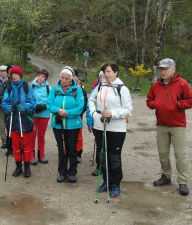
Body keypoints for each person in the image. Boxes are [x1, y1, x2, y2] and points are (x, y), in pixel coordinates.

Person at [146, 58, 192, 196]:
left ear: (173, 69)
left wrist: (179, 104)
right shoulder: (156, 85)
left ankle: (183, 181)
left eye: (165, 69)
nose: (162, 71)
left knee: (179, 154)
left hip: (177, 125)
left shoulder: (182, 83)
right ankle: (166, 176)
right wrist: (153, 104)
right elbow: (149, 100)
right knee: (163, 153)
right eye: (161, 69)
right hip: (161, 124)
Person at [88, 61, 133, 198]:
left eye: (108, 71)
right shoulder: (100, 86)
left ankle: (115, 184)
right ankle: (106, 181)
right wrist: (94, 114)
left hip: (117, 129)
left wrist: (112, 113)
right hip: (100, 127)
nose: (106, 74)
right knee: (102, 156)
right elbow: (91, 100)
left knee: (114, 157)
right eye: (104, 72)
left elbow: (128, 110)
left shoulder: (122, 89)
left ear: (115, 72)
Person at [47, 66, 84, 183]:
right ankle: (62, 172)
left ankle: (72, 172)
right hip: (58, 124)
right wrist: (58, 110)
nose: (64, 80)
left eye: (66, 78)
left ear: (71, 78)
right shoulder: (55, 89)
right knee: (62, 149)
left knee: (72, 149)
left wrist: (66, 113)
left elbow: (80, 107)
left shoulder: (77, 90)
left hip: (73, 125)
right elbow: (49, 104)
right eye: (62, 78)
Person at [2, 66, 36, 178]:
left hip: (25, 120)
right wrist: (9, 108)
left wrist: (25, 107)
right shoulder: (9, 87)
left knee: (26, 145)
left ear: (20, 75)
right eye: (12, 74)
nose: (14, 76)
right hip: (13, 120)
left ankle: (27, 167)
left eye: (16, 74)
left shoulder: (27, 87)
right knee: (15, 145)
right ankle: (18, 166)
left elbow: (33, 102)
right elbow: (5, 102)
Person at [30, 69, 50, 165]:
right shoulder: (31, 86)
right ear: (37, 76)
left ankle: (41, 155)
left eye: (43, 76)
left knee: (41, 136)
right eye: (39, 75)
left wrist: (44, 106)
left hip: (44, 115)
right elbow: (28, 99)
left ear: (45, 78)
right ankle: (31, 155)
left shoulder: (49, 88)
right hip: (33, 115)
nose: (40, 78)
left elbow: (51, 101)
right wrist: (34, 107)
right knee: (32, 135)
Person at [72, 67, 87, 163]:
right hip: (66, 116)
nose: (72, 78)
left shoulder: (81, 88)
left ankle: (78, 153)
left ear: (77, 77)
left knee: (78, 135)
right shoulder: (63, 87)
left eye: (74, 76)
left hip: (78, 116)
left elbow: (85, 102)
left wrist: (79, 113)